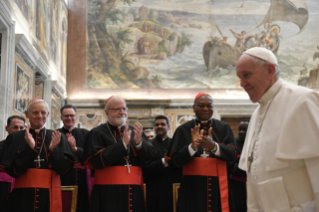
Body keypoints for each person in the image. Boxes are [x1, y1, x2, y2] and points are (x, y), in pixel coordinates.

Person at [236, 47, 319, 211]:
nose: (241, 83)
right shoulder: (255, 115)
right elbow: (253, 176)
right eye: (239, 77)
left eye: (246, 75)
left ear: (270, 70)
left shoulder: (302, 100)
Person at [0, 98, 77, 212]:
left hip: (50, 196)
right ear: (27, 114)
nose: (40, 116)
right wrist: (29, 149)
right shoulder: (15, 138)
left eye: (43, 112)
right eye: (35, 112)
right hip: (22, 196)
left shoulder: (57, 136)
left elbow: (65, 170)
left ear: (48, 114)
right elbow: (13, 172)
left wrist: (54, 150)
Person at [167, 93, 237, 212]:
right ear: (194, 108)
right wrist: (192, 148)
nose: (205, 109)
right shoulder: (183, 130)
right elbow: (174, 161)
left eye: (209, 106)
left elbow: (233, 155)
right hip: (192, 187)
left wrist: (214, 146)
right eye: (201, 105)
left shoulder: (224, 128)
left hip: (218, 186)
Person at [84, 95, 155, 212]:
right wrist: (121, 145)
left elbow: (149, 158)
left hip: (134, 190)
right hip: (107, 192)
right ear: (107, 112)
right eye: (117, 109)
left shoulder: (135, 132)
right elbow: (97, 161)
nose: (122, 112)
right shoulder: (96, 133)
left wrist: (139, 143)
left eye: (124, 109)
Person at [143, 115, 182, 212]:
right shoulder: (148, 145)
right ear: (154, 128)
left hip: (173, 189)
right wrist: (163, 162)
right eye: (157, 125)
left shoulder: (175, 144)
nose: (159, 126)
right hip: (155, 190)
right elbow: (145, 168)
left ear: (168, 127)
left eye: (163, 124)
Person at [58, 105, 90, 212]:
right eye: (66, 116)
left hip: (82, 178)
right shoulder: (55, 134)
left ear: (76, 117)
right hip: (63, 176)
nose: (69, 118)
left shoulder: (86, 134)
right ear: (61, 118)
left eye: (72, 115)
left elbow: (90, 154)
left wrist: (76, 149)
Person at [0, 116, 25, 211]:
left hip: (22, 186)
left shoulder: (29, 147)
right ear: (7, 128)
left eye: (21, 128)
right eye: (15, 127)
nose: (18, 130)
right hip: (3, 187)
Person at [228, 120, 249, 212]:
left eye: (244, 130)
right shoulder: (233, 144)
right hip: (236, 186)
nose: (241, 132)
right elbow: (230, 165)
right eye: (240, 130)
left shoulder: (256, 143)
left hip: (253, 185)